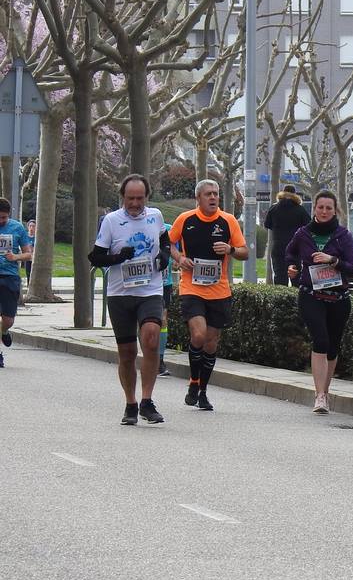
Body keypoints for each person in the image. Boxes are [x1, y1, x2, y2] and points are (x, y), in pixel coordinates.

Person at [87, 174, 169, 424]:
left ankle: (147, 401)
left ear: (147, 197)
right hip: (120, 293)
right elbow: (95, 257)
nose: (135, 203)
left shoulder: (156, 216)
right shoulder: (112, 221)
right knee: (127, 353)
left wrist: (164, 255)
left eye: (140, 198)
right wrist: (118, 257)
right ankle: (130, 403)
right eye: (130, 198)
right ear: (122, 197)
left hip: (150, 290)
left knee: (151, 338)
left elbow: (165, 240)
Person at [169, 179, 249, 411]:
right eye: (208, 194)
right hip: (192, 288)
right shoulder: (185, 220)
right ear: (198, 198)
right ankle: (193, 382)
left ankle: (202, 390)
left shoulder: (228, 220)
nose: (213, 198)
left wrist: (231, 249)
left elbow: (244, 252)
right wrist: (180, 258)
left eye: (216, 194)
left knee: (212, 343)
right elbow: (168, 243)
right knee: (199, 335)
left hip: (219, 290)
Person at [286, 190, 353, 413]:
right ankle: (319, 396)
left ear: (335, 210)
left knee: (332, 346)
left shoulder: (342, 235)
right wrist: (293, 269)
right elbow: (289, 254)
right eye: (321, 207)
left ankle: (325, 392)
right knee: (320, 340)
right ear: (314, 209)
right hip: (311, 295)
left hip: (338, 298)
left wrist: (333, 260)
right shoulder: (303, 233)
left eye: (329, 208)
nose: (325, 211)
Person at [0, 198, 33, 368]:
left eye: (4, 218)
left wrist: (15, 257)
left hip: (10, 276)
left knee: (8, 319)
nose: (1, 221)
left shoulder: (17, 228)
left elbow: (28, 254)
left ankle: (4, 330)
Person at [263, 184, 310, 286]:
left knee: (279, 278)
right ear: (295, 194)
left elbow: (267, 225)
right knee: (296, 279)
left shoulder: (274, 208)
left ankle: (281, 301)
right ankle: (296, 301)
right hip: (295, 249)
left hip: (278, 247)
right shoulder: (300, 209)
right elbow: (308, 226)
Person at [157, 222, 174, 377]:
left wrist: (177, 261)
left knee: (163, 319)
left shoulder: (169, 229)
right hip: (146, 284)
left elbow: (176, 252)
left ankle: (159, 361)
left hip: (165, 284)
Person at [23, 218, 35, 283]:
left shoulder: (37, 237)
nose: (31, 228)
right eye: (30, 226)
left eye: (33, 226)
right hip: (28, 258)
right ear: (28, 227)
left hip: (35, 259)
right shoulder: (25, 236)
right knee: (28, 274)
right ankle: (29, 288)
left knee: (34, 275)